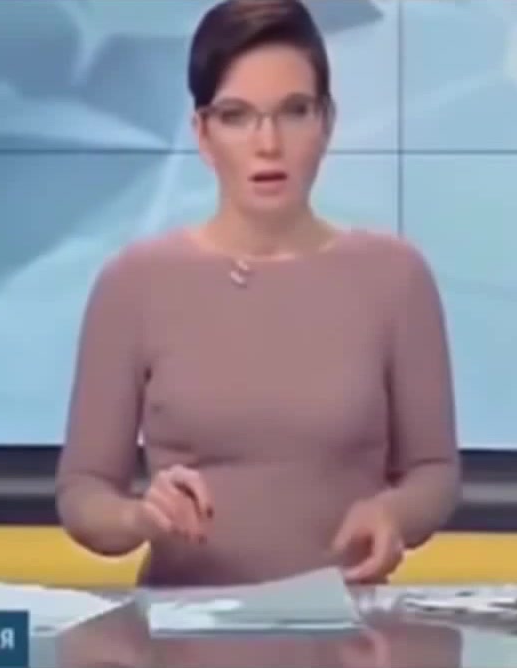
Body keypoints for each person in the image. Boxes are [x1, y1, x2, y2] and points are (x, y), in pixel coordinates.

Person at [55, 0, 460, 587]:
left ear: (326, 122)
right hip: (182, 624)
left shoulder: (396, 277)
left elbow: (434, 471)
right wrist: (139, 517)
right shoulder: (133, 284)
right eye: (236, 116)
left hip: (346, 625)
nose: (268, 143)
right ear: (202, 133)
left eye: (294, 111)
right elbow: (84, 491)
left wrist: (393, 513)